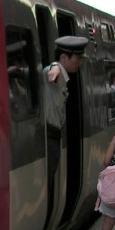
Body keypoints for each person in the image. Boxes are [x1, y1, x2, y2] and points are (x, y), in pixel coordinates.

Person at [43, 35, 88, 182]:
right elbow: (48, 71)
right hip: (49, 135)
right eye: (77, 58)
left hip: (54, 135)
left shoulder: (64, 77)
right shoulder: (56, 72)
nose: (80, 62)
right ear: (64, 57)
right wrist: (54, 67)